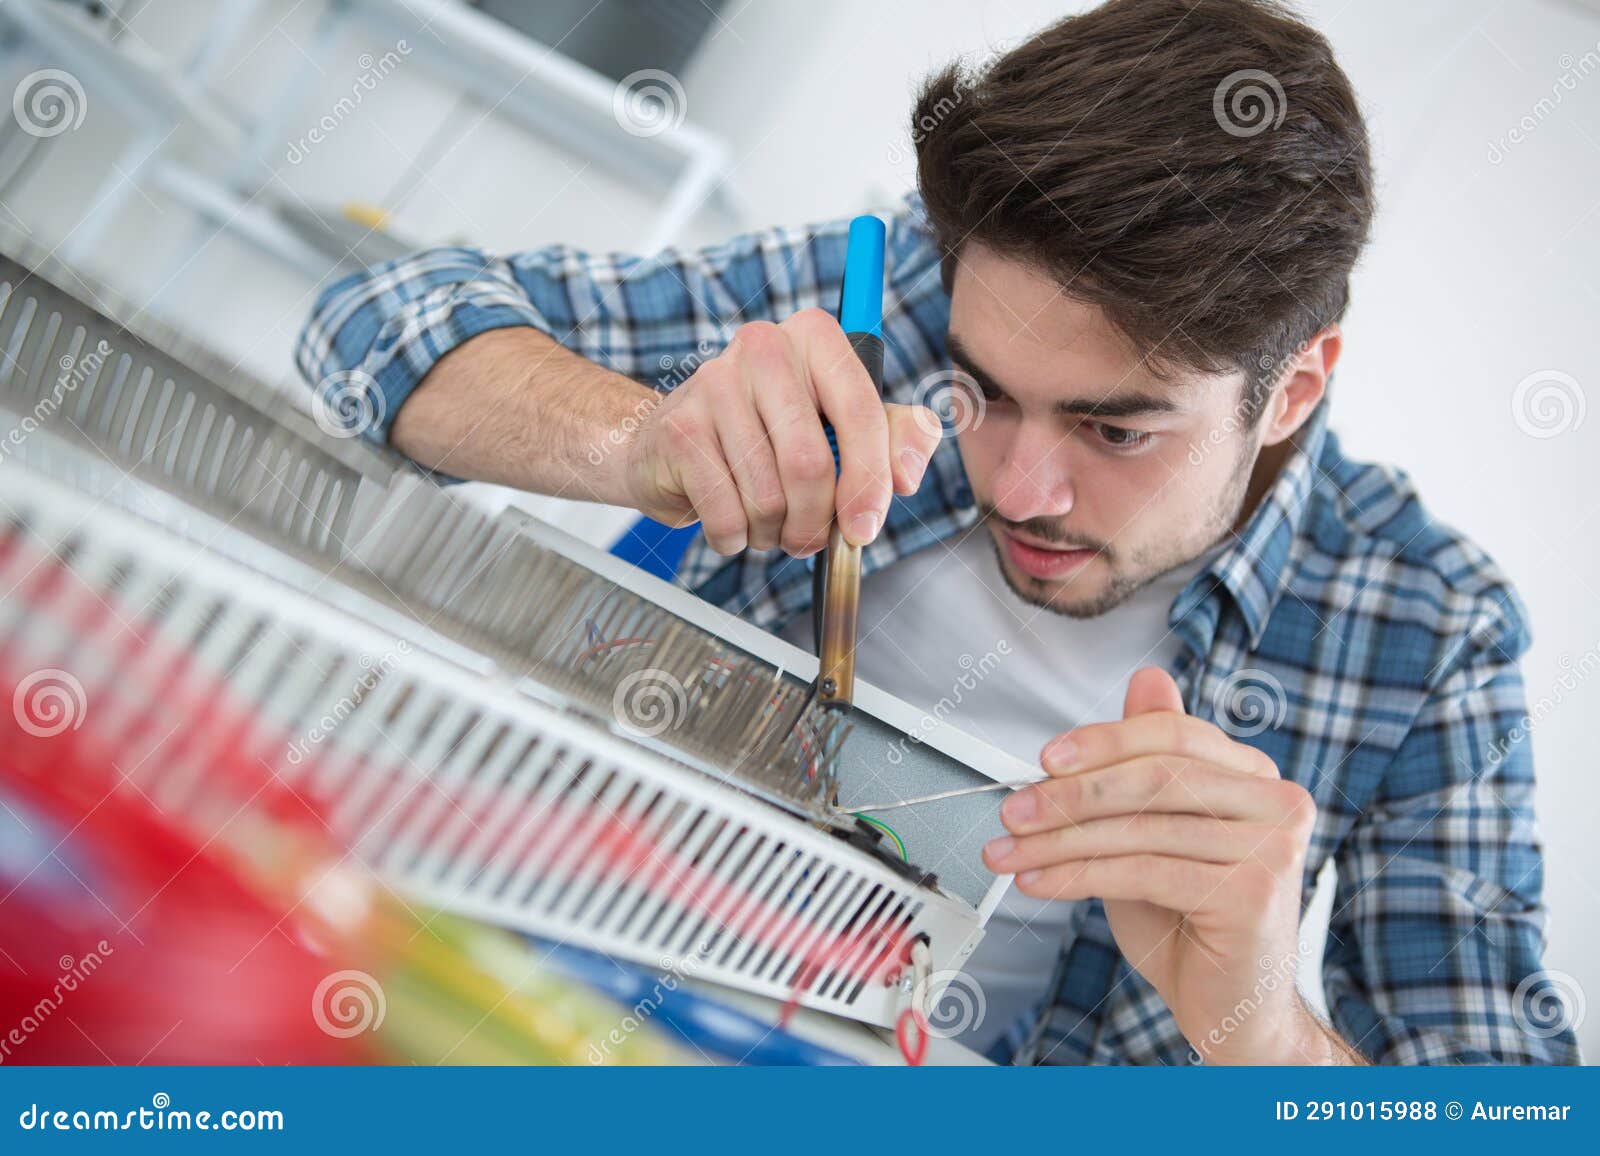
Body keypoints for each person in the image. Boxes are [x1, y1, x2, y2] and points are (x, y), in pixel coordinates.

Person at [296, 0, 1577, 1065]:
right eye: (981, 390)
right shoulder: (904, 288)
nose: (1020, 484)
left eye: (1115, 431)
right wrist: (637, 440)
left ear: (1290, 388)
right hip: (521, 995)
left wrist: (1258, 1029)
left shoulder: (1428, 632)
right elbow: (375, 317)